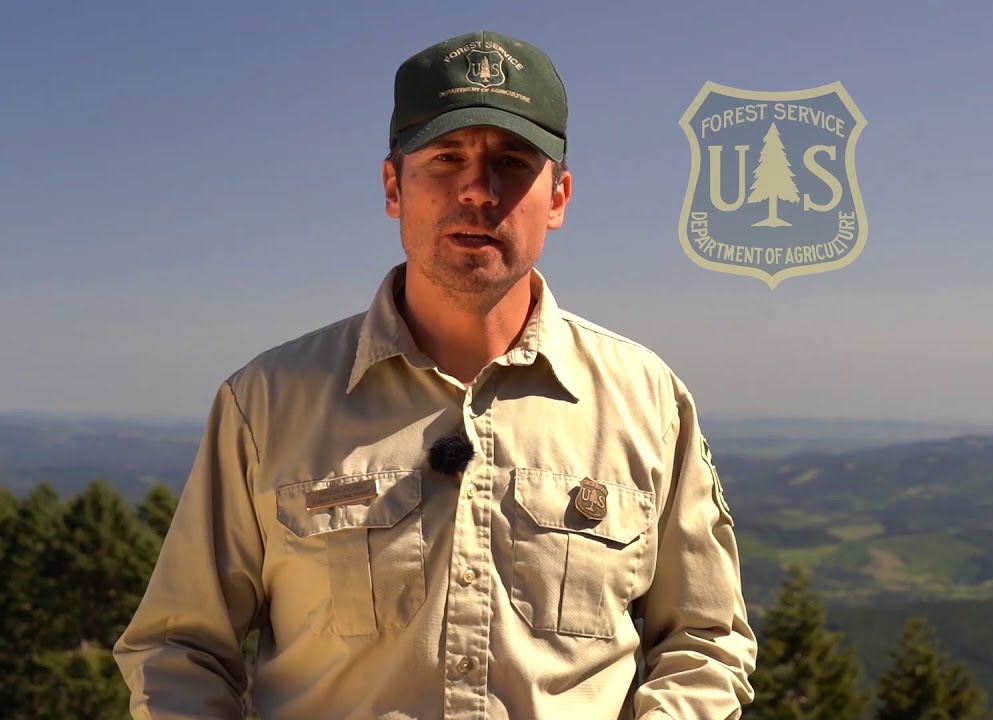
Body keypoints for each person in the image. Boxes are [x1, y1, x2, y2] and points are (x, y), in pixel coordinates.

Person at [114, 29, 757, 720]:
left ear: (559, 197)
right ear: (394, 187)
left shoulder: (648, 400)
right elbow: (178, 649)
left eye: (512, 162)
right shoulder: (267, 404)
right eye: (446, 158)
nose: (477, 190)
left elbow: (706, 642)